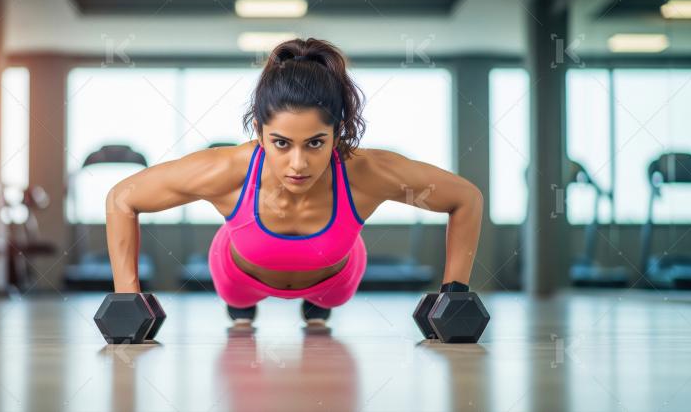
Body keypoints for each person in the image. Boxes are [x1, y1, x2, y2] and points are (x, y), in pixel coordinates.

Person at [105, 38, 483, 326]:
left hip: (334, 282)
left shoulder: (368, 173)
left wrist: (454, 294)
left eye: (315, 143)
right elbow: (123, 198)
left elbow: (465, 198)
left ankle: (315, 303)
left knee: (324, 310)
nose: (298, 164)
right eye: (281, 143)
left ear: (338, 133)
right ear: (259, 130)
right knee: (239, 310)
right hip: (239, 276)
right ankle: (243, 306)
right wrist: (127, 297)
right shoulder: (226, 170)